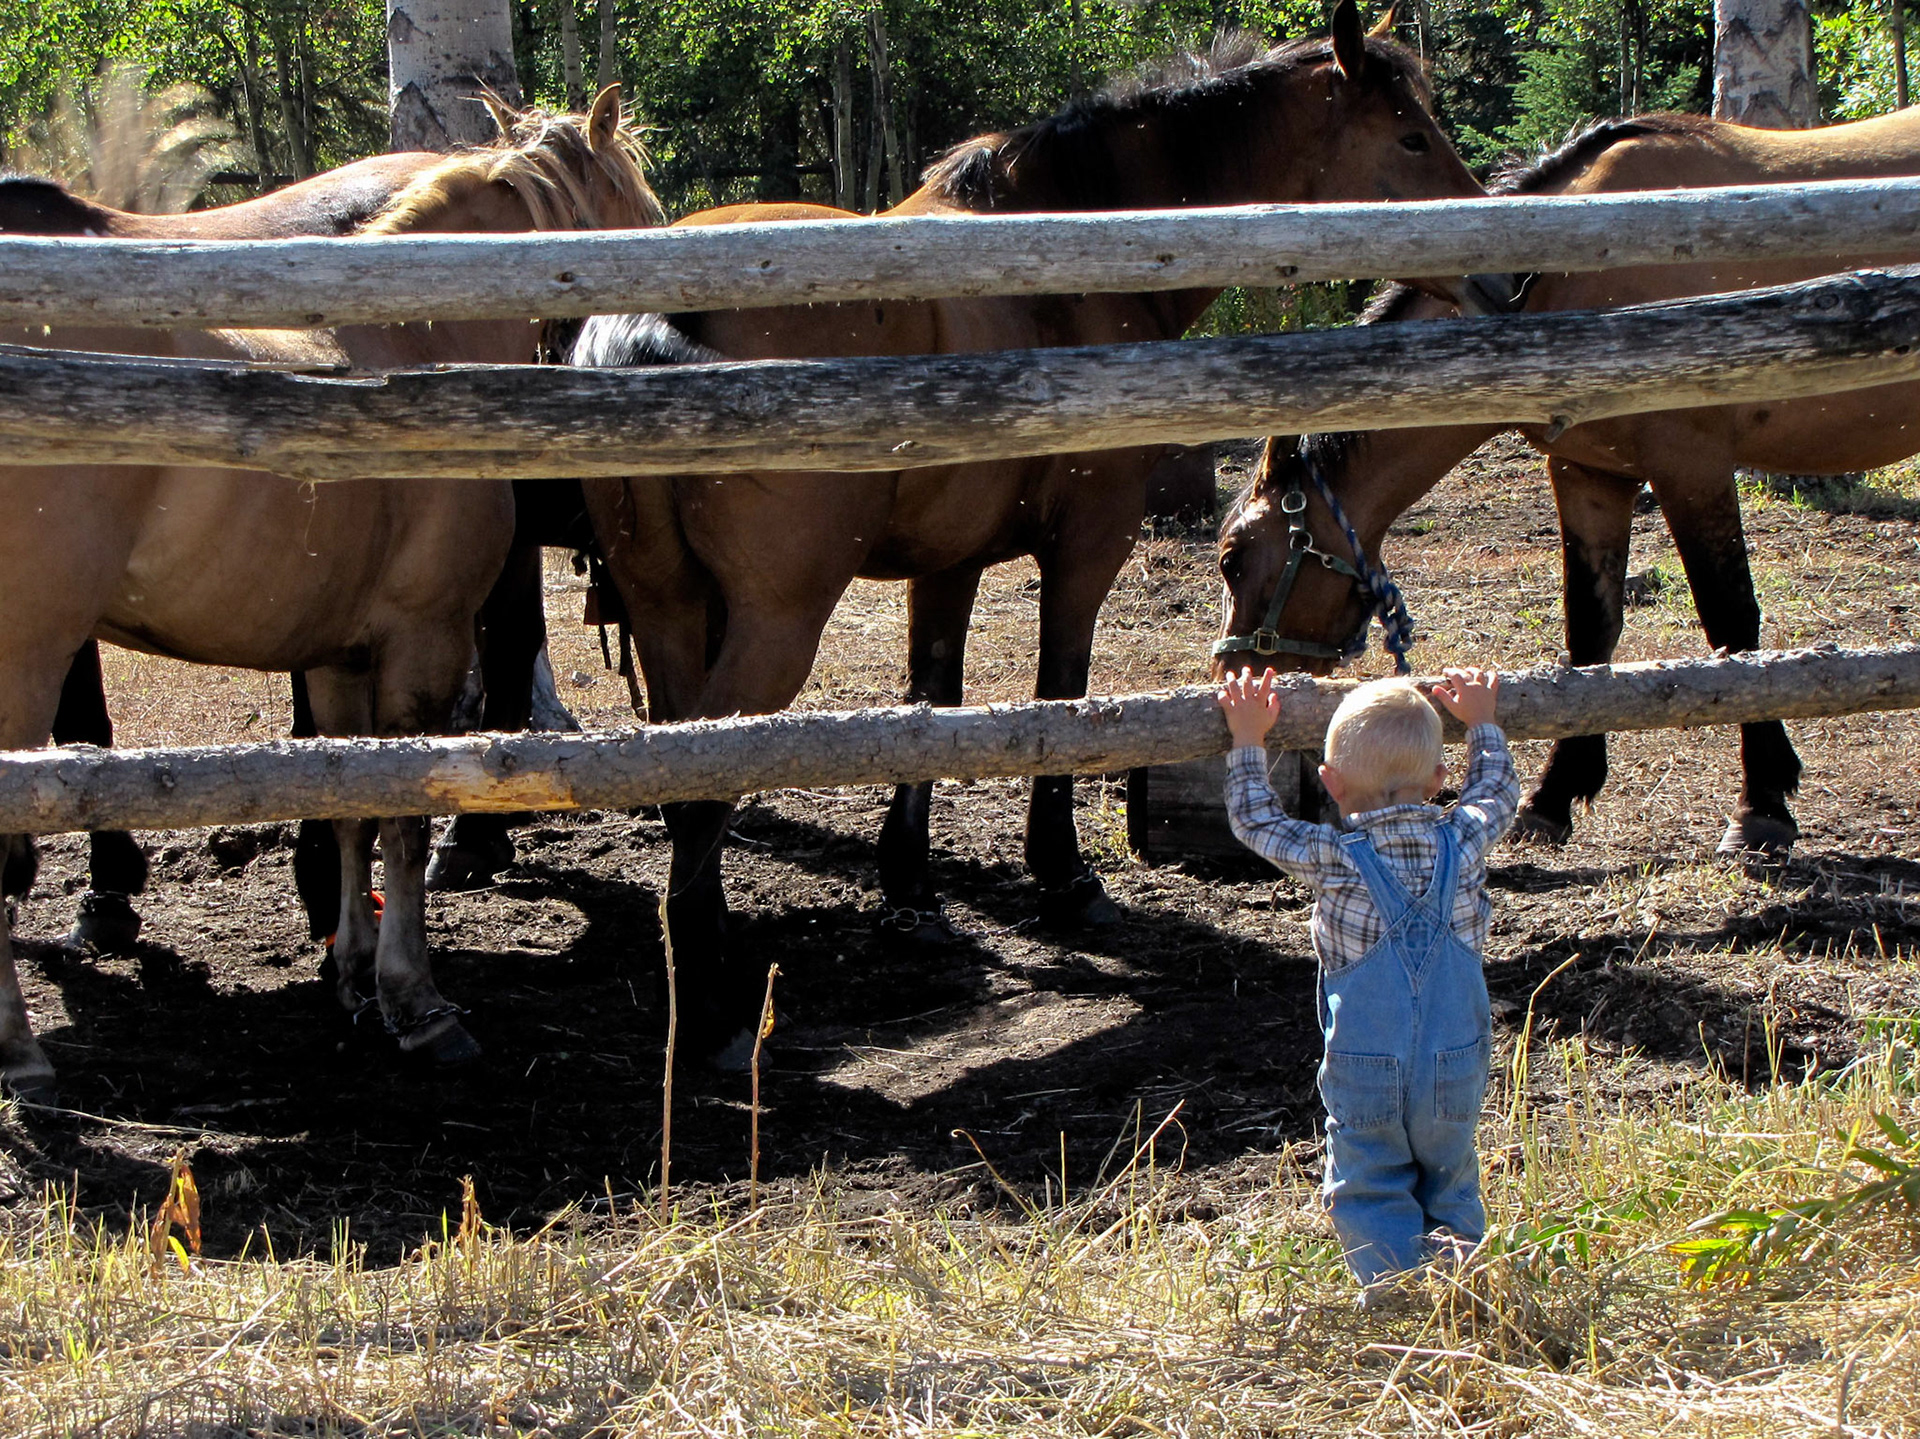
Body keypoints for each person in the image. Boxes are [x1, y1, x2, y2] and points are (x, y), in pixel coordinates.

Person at [1216, 665, 1519, 1300]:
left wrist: (1248, 740)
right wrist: (1484, 724)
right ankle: (1464, 1295)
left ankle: (1398, 1299)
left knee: (1371, 1179)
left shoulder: (1333, 857)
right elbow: (1497, 791)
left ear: (1330, 783)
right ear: (1440, 781)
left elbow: (1255, 823)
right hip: (1454, 1063)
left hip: (1365, 1063)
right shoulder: (1464, 837)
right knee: (1452, 1176)